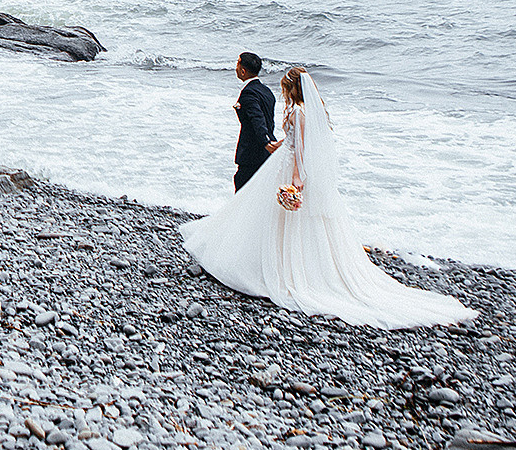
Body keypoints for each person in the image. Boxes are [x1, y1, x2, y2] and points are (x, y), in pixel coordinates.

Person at [181, 66, 477, 329]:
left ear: (291, 88)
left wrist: (296, 181)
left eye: (285, 88)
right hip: (284, 160)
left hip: (290, 168)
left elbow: (302, 150)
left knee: (278, 216)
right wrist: (280, 146)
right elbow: (298, 143)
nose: (282, 93)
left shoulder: (298, 111)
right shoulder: (304, 111)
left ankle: (280, 269)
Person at [231, 52, 276, 192]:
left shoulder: (249, 93)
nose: (236, 67)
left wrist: (265, 142)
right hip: (266, 153)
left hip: (252, 151)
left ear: (243, 71)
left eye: (238, 63)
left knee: (242, 186)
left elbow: (257, 118)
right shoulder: (267, 91)